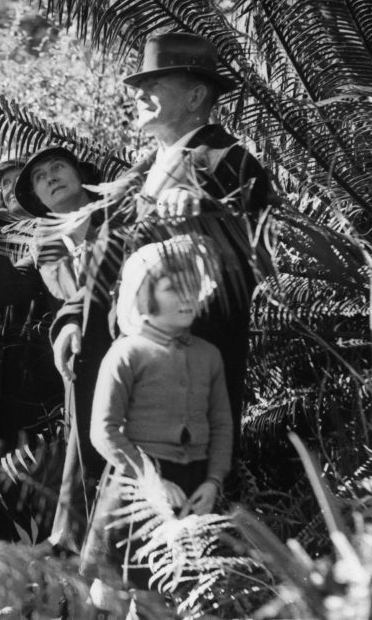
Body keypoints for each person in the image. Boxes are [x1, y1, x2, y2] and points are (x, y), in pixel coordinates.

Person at [50, 31, 270, 553]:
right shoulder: (136, 175)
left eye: (154, 84)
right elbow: (101, 267)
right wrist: (71, 318)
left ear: (196, 95)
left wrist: (201, 220)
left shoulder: (230, 163)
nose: (139, 94)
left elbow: (257, 258)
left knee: (166, 537)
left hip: (176, 387)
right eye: (137, 85)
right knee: (105, 537)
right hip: (110, 369)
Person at [80, 237, 232, 601]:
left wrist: (213, 482)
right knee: (113, 595)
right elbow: (103, 430)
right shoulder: (127, 352)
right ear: (144, 294)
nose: (187, 297)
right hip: (135, 487)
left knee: (177, 594)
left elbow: (222, 425)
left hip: (192, 486)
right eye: (172, 288)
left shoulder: (209, 355)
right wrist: (149, 479)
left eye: (193, 287)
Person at [0, 148, 99, 449]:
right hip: (78, 373)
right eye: (40, 177)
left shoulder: (119, 216)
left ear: (80, 175)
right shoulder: (43, 245)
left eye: (57, 167)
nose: (50, 178)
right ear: (37, 197)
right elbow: (1, 292)